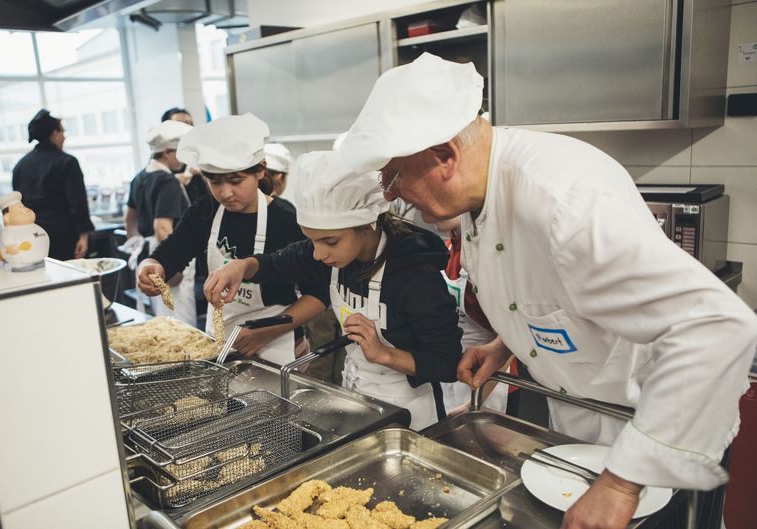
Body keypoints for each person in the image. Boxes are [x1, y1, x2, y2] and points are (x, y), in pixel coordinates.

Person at [337, 52, 757, 529]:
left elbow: (718, 328)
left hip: (662, 432)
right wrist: (506, 343)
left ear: (445, 157)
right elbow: (543, 289)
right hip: (583, 422)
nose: (390, 195)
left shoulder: (566, 202)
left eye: (393, 176)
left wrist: (621, 483)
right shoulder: (480, 192)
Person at [203, 150, 463, 430]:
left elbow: (447, 363)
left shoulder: (415, 277)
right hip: (359, 396)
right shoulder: (332, 255)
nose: (318, 254)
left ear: (367, 227)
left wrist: (384, 354)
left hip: (410, 411)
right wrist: (241, 267)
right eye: (312, 240)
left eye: (330, 241)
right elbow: (279, 263)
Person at [136, 114, 325, 365]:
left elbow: (319, 295)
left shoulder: (286, 220)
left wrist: (266, 333)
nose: (225, 193)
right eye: (214, 182)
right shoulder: (205, 211)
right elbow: (170, 253)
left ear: (260, 170)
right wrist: (152, 266)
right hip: (221, 342)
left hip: (278, 345)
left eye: (236, 181)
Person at [421, 212, 514, 415]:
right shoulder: (447, 250)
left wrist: (474, 403)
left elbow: (513, 340)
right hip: (451, 374)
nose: (429, 213)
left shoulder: (491, 261)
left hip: (490, 382)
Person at [124, 120, 197, 325]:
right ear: (167, 152)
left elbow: (129, 219)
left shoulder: (140, 177)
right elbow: (162, 227)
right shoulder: (167, 181)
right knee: (179, 320)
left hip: (150, 251)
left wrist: (138, 246)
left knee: (162, 316)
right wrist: (173, 266)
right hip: (166, 253)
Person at [12, 109, 93, 260]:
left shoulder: (21, 165)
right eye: (62, 131)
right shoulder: (67, 162)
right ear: (54, 133)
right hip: (64, 237)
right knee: (69, 273)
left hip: (33, 238)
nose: (64, 136)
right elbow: (77, 203)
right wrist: (84, 236)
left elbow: (18, 206)